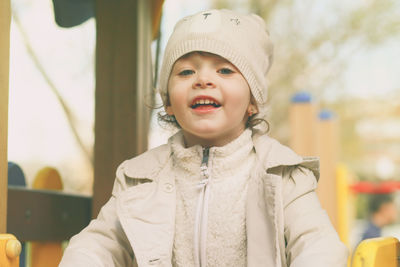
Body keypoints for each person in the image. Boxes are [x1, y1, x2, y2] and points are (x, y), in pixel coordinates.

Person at [59, 9, 348, 267]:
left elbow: (317, 244)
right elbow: (101, 243)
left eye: (224, 70)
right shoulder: (141, 177)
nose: (203, 80)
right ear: (169, 102)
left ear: (253, 101)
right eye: (186, 71)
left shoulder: (281, 174)